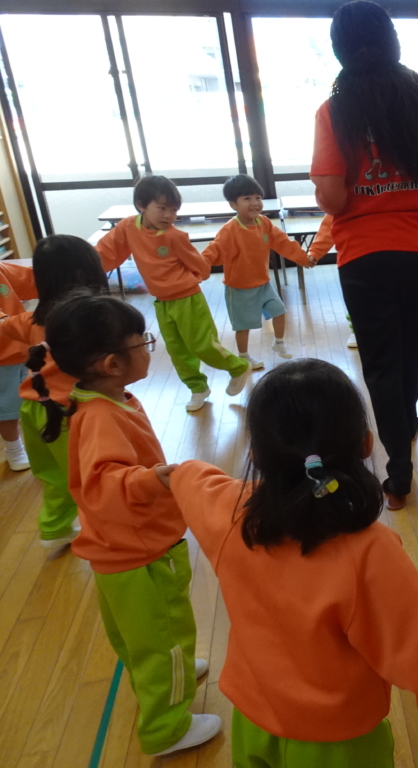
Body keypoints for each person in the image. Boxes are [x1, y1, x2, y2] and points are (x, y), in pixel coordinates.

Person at [159, 359, 418, 767]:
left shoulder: (231, 516)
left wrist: (172, 476)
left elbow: (194, 481)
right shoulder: (370, 553)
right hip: (338, 746)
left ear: (255, 455)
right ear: (367, 444)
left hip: (252, 724)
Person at [36, 291, 220, 756]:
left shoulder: (101, 398)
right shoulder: (101, 416)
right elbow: (104, 483)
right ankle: (166, 728)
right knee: (166, 637)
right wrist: (153, 479)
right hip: (142, 555)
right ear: (112, 363)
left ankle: (169, 672)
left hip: (116, 550)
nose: (149, 348)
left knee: (142, 637)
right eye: (144, 342)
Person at [310, 0, 418, 511]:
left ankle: (399, 471)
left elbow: (332, 198)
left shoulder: (333, 111)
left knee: (381, 363)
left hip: (363, 255)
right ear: (392, 41)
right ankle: (406, 422)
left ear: (340, 50)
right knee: (411, 349)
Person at [96, 175, 252, 412]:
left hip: (188, 299)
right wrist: (81, 265)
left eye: (174, 210)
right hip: (162, 302)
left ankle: (238, 367)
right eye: (162, 208)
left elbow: (201, 267)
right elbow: (106, 252)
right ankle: (198, 388)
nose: (168, 215)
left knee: (202, 345)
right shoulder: (128, 227)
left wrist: (191, 279)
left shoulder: (174, 236)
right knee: (177, 351)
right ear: (141, 205)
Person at [0, 236, 108, 547]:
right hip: (69, 412)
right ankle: (103, 531)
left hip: (34, 408)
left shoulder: (32, 320)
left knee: (54, 475)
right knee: (87, 474)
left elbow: (6, 325)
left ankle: (54, 527)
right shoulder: (91, 320)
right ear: (84, 274)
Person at [202, 174, 314, 370]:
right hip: (238, 288)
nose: (255, 203)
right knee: (243, 326)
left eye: (258, 198)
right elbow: (214, 251)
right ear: (233, 204)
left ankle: (278, 343)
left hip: (263, 283)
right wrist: (198, 268)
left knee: (279, 311)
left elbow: (283, 242)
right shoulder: (230, 230)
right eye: (247, 198)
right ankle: (244, 356)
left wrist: (303, 259)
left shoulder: (264, 223)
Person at [0, 260, 36, 471]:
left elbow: (32, 279)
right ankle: (14, 448)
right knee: (7, 410)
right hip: (2, 358)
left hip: (23, 346)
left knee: (34, 399)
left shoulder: (2, 270)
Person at [308, 214, 359, 349]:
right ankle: (357, 331)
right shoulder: (346, 202)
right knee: (358, 300)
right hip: (356, 258)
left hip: (399, 254)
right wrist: (315, 252)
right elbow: (329, 225)